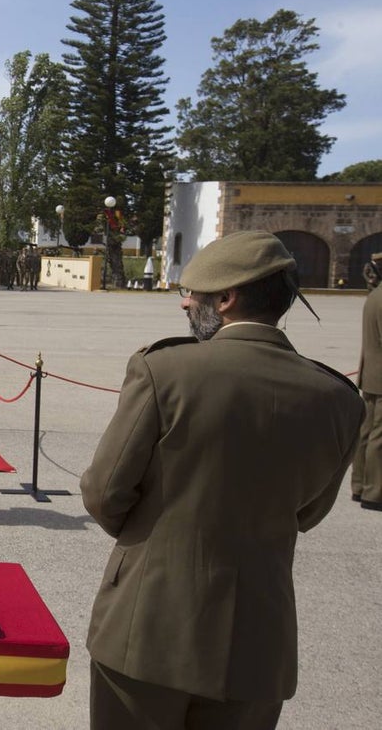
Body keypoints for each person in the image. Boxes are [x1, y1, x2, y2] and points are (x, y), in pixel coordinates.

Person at [81, 230, 363, 729]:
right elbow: (309, 513)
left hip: (148, 629)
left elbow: (104, 494)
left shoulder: (165, 371)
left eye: (191, 293)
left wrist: (156, 540)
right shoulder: (337, 397)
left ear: (227, 299)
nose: (184, 304)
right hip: (257, 643)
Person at [353, 251, 382, 511]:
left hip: (372, 374)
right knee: (379, 436)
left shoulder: (375, 295)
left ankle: (360, 485)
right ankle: (375, 493)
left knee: (367, 433)